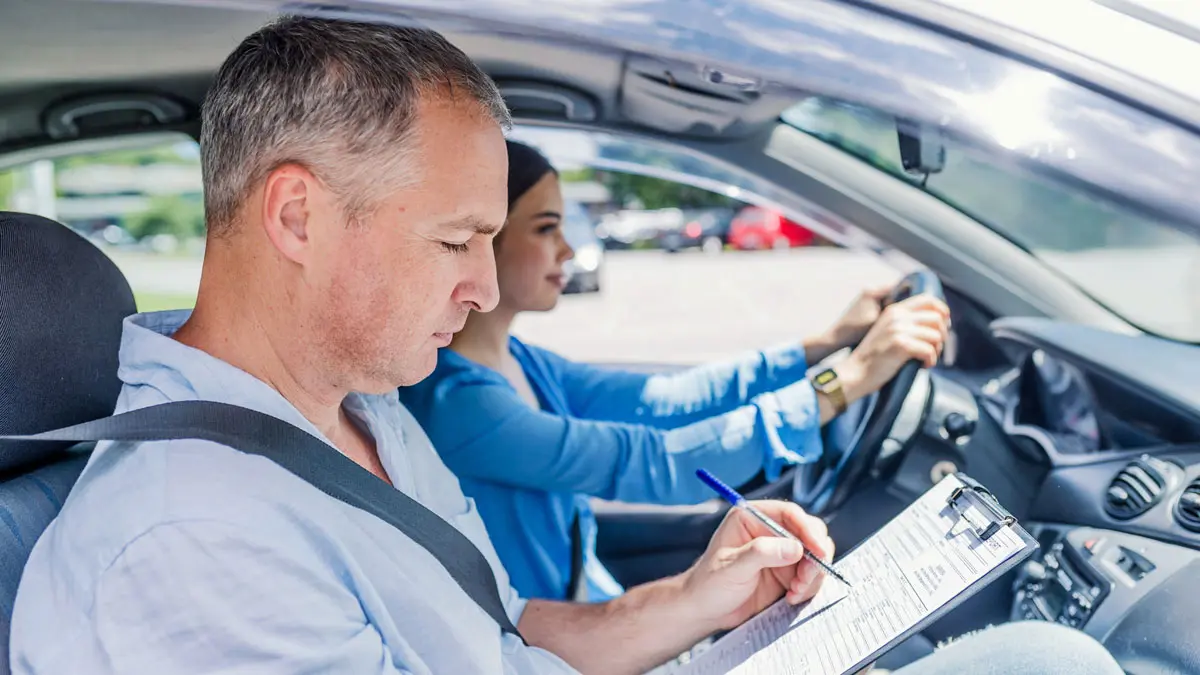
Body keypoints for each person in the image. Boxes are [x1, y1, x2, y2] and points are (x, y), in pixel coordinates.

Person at [9, 16, 1122, 675]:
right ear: (297, 217)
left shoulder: (358, 411)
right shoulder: (189, 543)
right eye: (457, 239)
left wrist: (691, 604)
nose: (485, 286)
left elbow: (498, 632)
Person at [398, 140, 950, 603]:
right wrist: (846, 382)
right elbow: (656, 464)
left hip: (587, 599)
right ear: (485, 239)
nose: (569, 249)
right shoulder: (460, 403)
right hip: (545, 643)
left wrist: (824, 345)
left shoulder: (523, 361)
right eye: (546, 229)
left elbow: (667, 397)